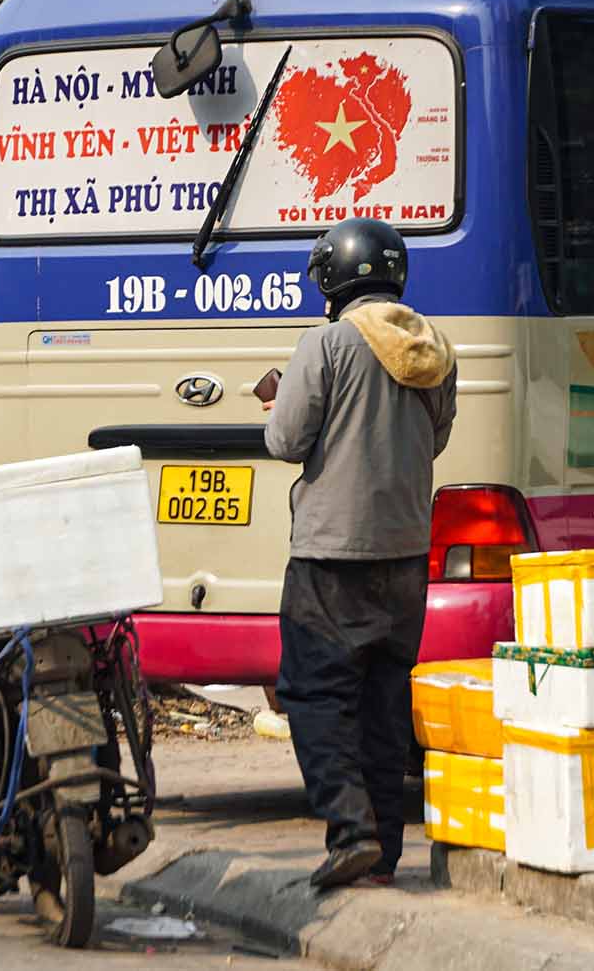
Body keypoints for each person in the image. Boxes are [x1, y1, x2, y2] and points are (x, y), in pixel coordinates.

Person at [263, 218, 458, 890]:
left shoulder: (324, 344)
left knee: (314, 694)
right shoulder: (432, 348)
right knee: (383, 700)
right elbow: (431, 440)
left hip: (330, 555)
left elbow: (286, 441)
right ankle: (385, 852)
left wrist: (277, 397)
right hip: (405, 553)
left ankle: (350, 832)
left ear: (334, 277)